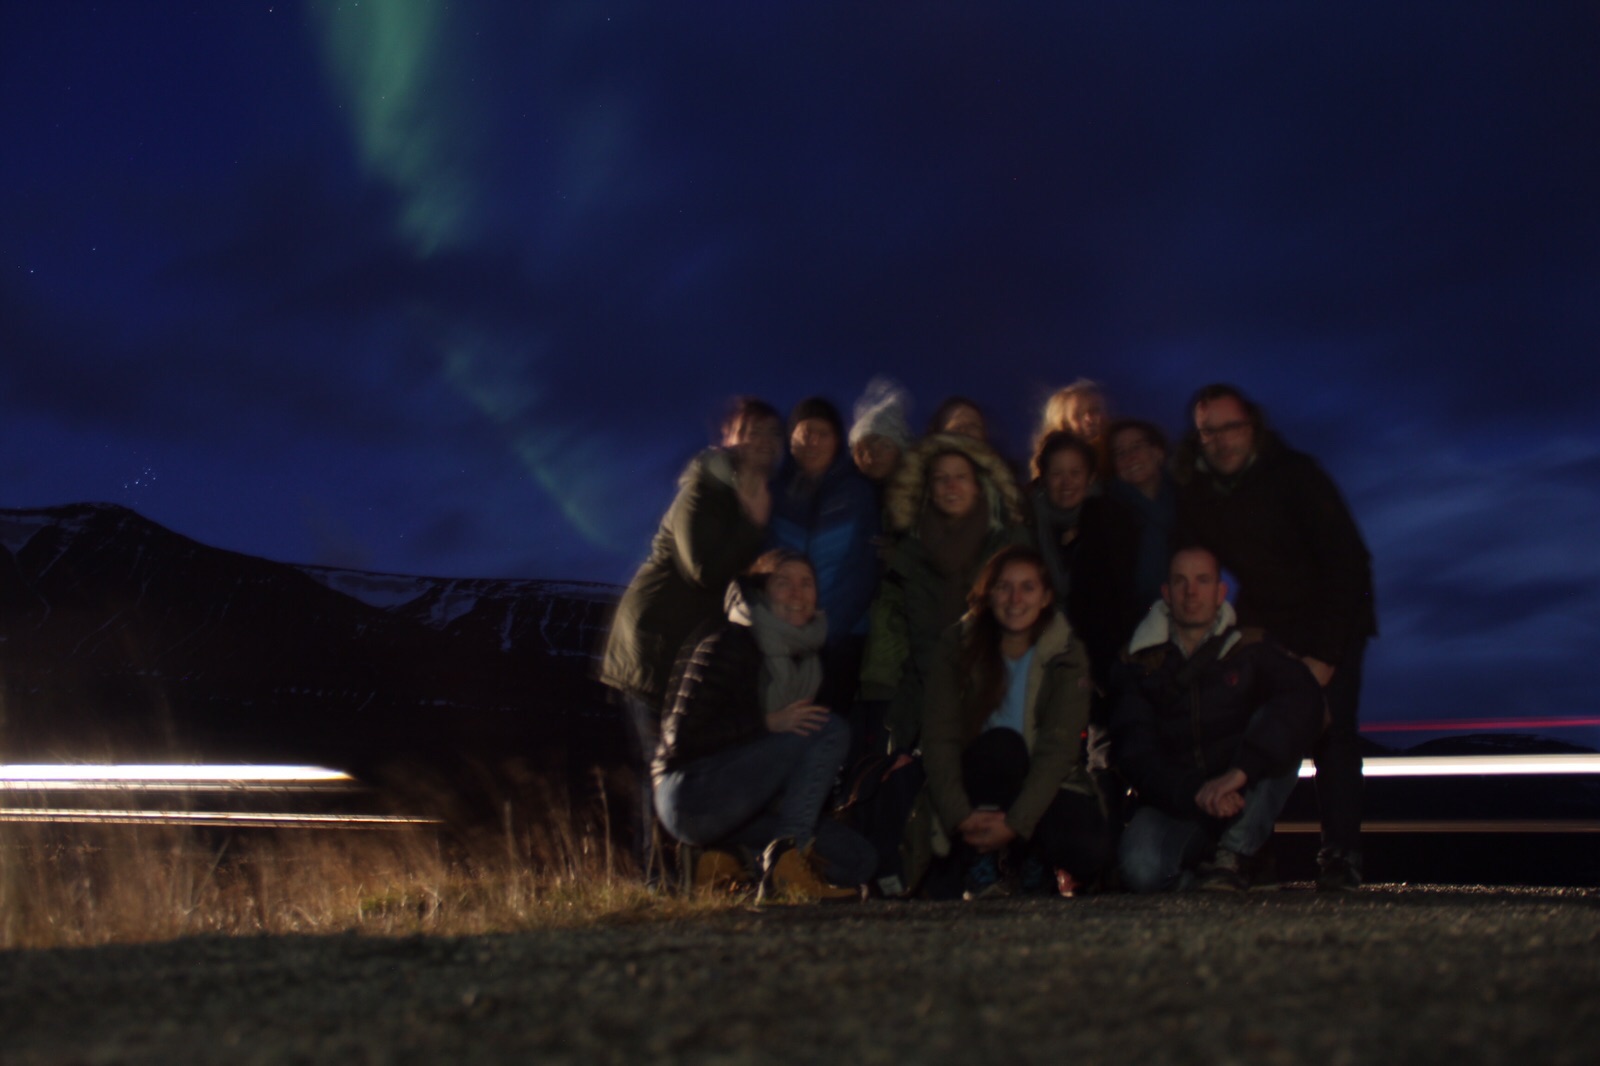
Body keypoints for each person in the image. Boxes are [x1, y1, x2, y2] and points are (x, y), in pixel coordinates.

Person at [1173, 384, 1377, 891]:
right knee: (1257, 726)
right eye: (1208, 432)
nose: (1221, 441)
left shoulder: (1295, 476)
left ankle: (1340, 856)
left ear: (1253, 427)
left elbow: (1348, 565)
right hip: (1270, 621)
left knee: (1331, 733)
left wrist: (1326, 658)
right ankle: (1248, 853)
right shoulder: (1201, 495)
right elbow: (1189, 556)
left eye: (1231, 427)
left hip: (1335, 618)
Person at [599, 397, 785, 883]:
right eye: (752, 431)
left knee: (684, 756)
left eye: (772, 434)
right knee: (661, 763)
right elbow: (701, 568)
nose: (763, 442)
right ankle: (656, 879)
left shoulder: (747, 492)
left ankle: (687, 871)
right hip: (653, 641)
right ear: (729, 437)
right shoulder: (705, 486)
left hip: (685, 647)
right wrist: (753, 525)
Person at [652, 550, 875, 901]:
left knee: (859, 860)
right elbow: (680, 739)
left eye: (806, 583)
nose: (797, 593)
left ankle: (725, 862)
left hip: (748, 809)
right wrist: (766, 723)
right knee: (829, 729)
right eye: (783, 583)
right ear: (761, 592)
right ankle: (786, 867)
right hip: (690, 795)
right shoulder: (730, 643)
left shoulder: (812, 662)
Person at [1110, 546, 1324, 892]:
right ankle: (1208, 875)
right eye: (1180, 581)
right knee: (1140, 869)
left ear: (1220, 592)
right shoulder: (1138, 662)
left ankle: (1234, 854)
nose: (1191, 591)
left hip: (1241, 796)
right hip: (1174, 802)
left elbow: (1305, 699)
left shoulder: (1251, 649)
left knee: (1284, 727)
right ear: (1166, 592)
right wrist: (1194, 792)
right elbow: (1134, 750)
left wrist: (1240, 773)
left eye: (1202, 580)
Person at [918, 545, 1109, 898]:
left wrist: (1015, 824)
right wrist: (960, 815)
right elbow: (938, 737)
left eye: (1028, 587)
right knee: (1001, 746)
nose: (1015, 598)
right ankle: (982, 862)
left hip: (1042, 786)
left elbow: (1058, 749)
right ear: (988, 593)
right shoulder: (956, 646)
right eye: (1004, 587)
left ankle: (1029, 858)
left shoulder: (1066, 654)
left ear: (1046, 596)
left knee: (1087, 848)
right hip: (975, 784)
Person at [859, 433, 1027, 753]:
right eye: (941, 479)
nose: (951, 487)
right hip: (933, 692)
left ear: (978, 485)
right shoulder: (915, 553)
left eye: (961, 477)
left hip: (1005, 690)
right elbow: (923, 640)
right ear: (929, 490)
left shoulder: (1009, 545)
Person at [769, 396, 881, 721]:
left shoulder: (858, 493)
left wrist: (822, 632)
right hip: (781, 639)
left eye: (823, 433)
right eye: (805, 432)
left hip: (840, 640)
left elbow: (863, 572)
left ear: (837, 442)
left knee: (823, 734)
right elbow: (764, 564)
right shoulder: (776, 493)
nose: (813, 441)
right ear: (791, 438)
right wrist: (783, 627)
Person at [1104, 418, 1178, 613]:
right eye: (1120, 453)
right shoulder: (1105, 515)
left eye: (1137, 447)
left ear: (1158, 452)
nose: (1129, 457)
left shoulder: (1187, 501)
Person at [848, 376, 913, 489]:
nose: (870, 458)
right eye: (860, 452)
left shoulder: (924, 493)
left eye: (883, 446)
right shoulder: (845, 493)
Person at [1037, 379, 1110, 469]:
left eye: (1094, 410)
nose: (1089, 419)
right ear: (1064, 422)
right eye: (1078, 414)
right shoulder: (1051, 467)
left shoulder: (1117, 458)